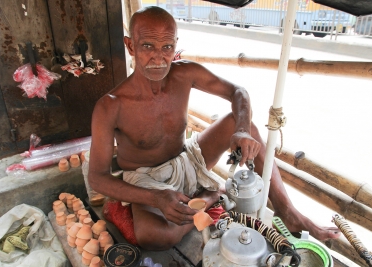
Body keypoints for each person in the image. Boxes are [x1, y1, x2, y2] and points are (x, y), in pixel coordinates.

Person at [88, 6, 340, 251]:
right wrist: (156, 198)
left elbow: (238, 92)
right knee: (156, 236)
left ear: (175, 44)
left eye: (167, 47)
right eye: (147, 47)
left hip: (187, 159)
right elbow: (97, 177)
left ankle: (288, 213)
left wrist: (241, 129)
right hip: (148, 180)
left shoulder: (184, 73)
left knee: (247, 127)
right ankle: (213, 196)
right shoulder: (110, 107)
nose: (158, 57)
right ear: (130, 45)